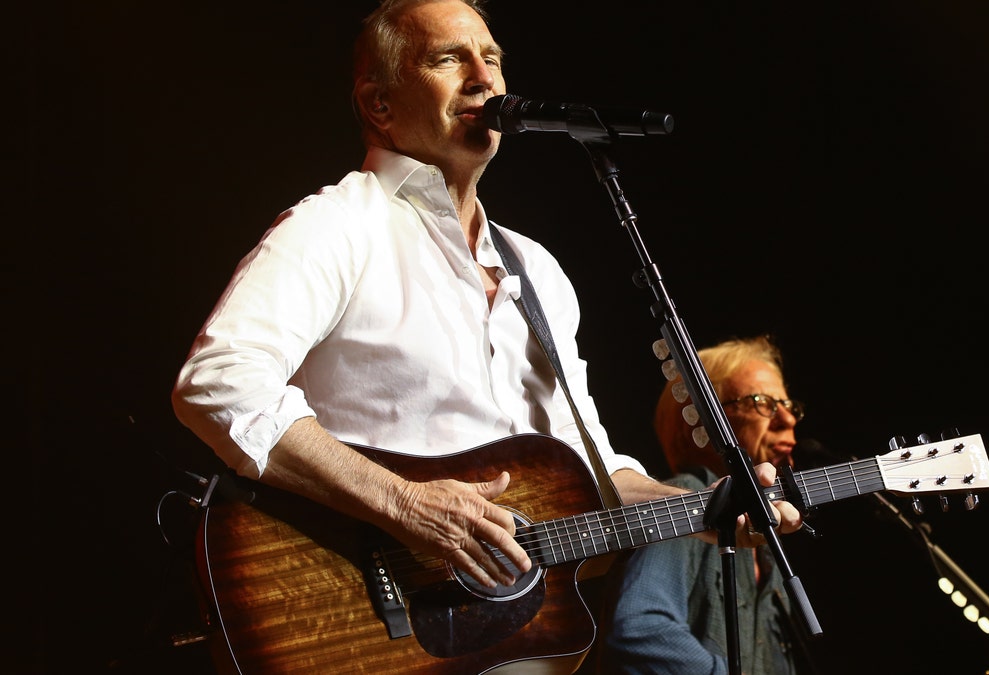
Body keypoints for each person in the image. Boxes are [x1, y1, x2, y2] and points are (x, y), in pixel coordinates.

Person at [170, 0, 801, 667]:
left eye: (492, 57)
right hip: (366, 620)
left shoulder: (540, 272)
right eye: (448, 58)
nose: (483, 76)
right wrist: (402, 503)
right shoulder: (337, 226)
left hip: (506, 639)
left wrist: (709, 508)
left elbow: (595, 472)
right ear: (379, 103)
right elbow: (218, 383)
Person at [598, 335, 816, 675]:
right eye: (762, 403)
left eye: (789, 407)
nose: (788, 421)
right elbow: (639, 629)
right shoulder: (687, 499)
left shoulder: (765, 545)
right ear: (695, 423)